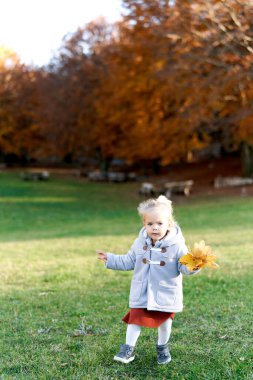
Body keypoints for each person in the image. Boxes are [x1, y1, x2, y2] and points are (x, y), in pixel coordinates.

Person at [97, 195, 200, 365]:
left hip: (165, 292)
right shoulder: (140, 243)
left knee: (165, 323)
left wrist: (193, 267)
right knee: (134, 319)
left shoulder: (177, 245)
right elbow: (129, 260)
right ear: (144, 224)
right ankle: (128, 349)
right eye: (150, 224)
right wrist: (110, 259)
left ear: (169, 224)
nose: (155, 228)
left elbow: (183, 266)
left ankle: (162, 347)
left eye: (160, 223)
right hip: (142, 291)